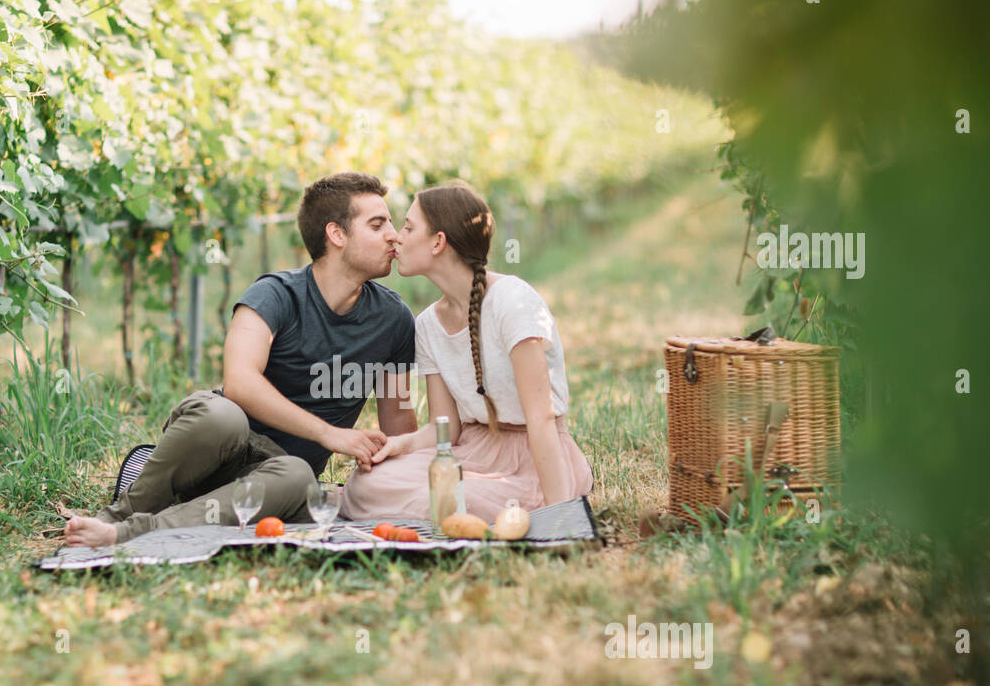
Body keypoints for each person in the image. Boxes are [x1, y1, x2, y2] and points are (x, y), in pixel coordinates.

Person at [64, 172, 418, 546]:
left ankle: (127, 533)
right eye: (378, 225)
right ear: (337, 235)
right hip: (218, 445)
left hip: (277, 480)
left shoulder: (393, 320)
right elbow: (240, 383)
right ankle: (118, 514)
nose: (394, 235)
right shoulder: (274, 295)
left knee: (299, 476)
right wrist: (331, 435)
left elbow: (399, 425)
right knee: (222, 415)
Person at [339, 180, 594, 523]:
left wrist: (560, 516)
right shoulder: (428, 324)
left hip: (532, 455)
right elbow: (445, 429)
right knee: (367, 483)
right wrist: (398, 446)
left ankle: (502, 509)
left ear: (438, 243)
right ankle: (448, 512)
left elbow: (541, 417)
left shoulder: (512, 300)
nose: (397, 236)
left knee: (451, 499)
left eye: (409, 227)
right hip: (470, 452)